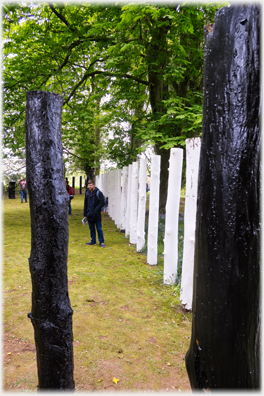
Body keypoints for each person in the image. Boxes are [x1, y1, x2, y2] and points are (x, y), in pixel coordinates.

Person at [83, 180, 106, 247]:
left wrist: (96, 209)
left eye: (91, 185)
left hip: (96, 214)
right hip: (89, 214)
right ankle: (93, 241)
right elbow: (85, 204)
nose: (89, 186)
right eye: (88, 185)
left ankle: (101, 242)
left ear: (94, 185)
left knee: (99, 229)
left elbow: (102, 202)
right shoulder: (87, 193)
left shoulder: (98, 193)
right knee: (91, 228)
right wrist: (85, 214)